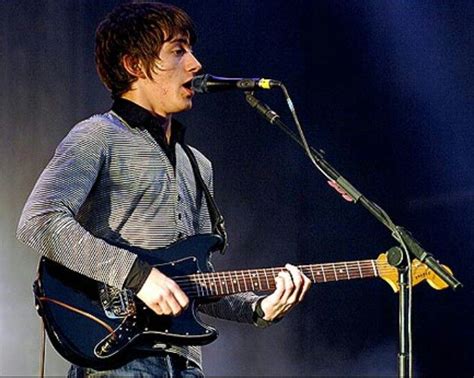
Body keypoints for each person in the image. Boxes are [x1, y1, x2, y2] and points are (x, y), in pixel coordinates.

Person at [17, 2, 311, 376]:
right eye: (178, 50)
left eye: (189, 49)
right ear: (134, 65)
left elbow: (197, 280)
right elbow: (39, 221)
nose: (195, 64)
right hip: (118, 358)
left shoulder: (198, 164)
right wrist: (138, 275)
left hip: (184, 363)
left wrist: (258, 309)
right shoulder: (97, 136)